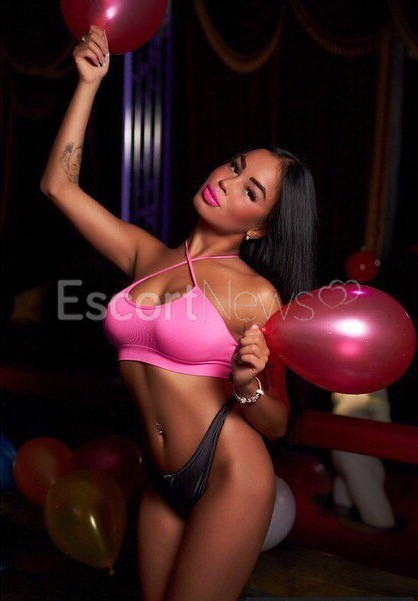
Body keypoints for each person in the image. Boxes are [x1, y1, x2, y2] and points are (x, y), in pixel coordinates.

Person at [40, 24, 318, 601]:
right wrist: (89, 84)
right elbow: (58, 188)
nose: (227, 182)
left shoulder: (255, 295)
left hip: (230, 473)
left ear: (260, 227)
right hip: (159, 476)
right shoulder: (145, 255)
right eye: (234, 166)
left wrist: (247, 385)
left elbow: (276, 424)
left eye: (250, 191)